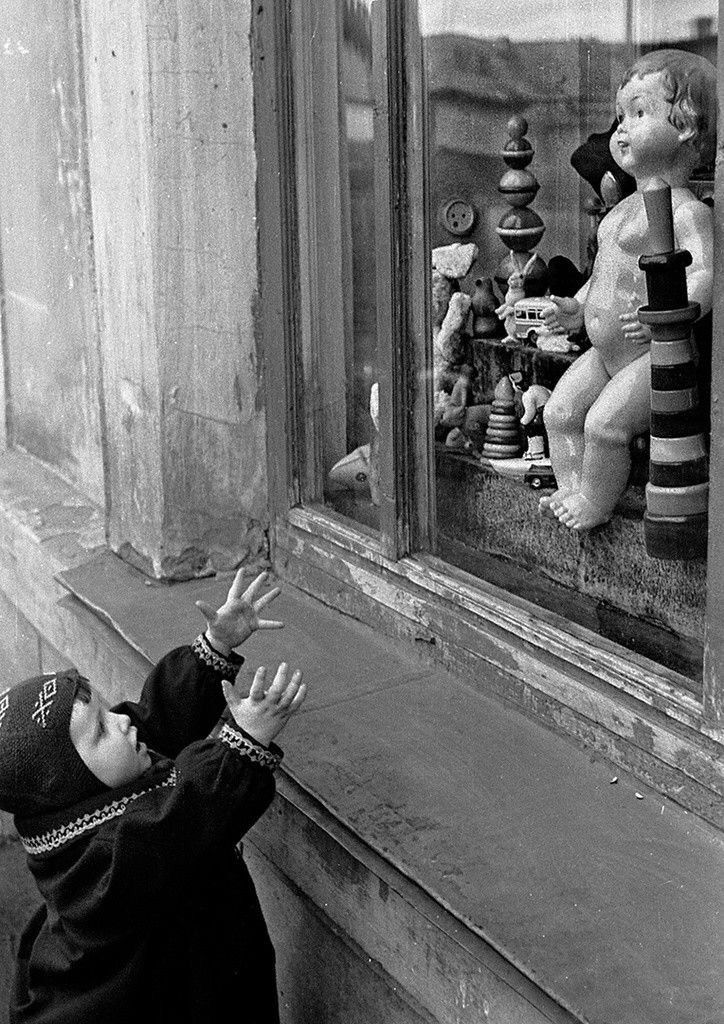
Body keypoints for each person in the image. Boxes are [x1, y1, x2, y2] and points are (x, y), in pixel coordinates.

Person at [0, 569, 306, 1024]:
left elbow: (154, 719)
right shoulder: (108, 860)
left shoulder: (89, 788)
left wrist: (213, 649)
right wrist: (242, 743)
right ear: (65, 787)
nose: (121, 722)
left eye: (104, 711)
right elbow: (186, 813)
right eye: (101, 729)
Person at [540, 49, 716, 530]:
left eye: (639, 113)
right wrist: (576, 307)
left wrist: (670, 310)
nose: (621, 130)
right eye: (621, 116)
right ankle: (571, 488)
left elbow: (707, 274)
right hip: (604, 352)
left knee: (604, 425)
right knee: (558, 412)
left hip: (650, 354)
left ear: (685, 127)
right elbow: (603, 273)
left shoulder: (687, 212)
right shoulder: (619, 210)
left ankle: (595, 504)